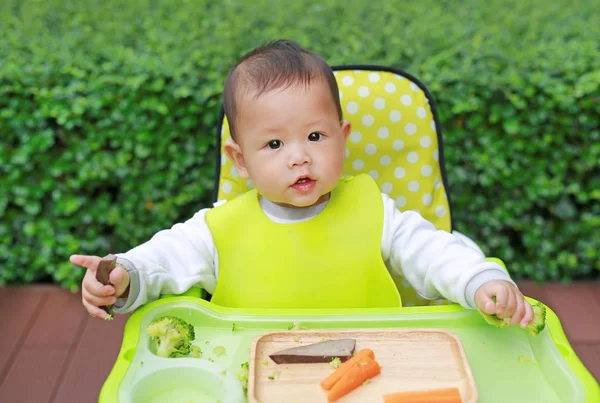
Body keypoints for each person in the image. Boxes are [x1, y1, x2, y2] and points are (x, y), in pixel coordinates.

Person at [70, 39, 534, 328]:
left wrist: (480, 280)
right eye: (274, 145)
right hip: (251, 371)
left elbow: (434, 250)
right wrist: (124, 276)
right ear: (241, 160)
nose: (299, 157)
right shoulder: (219, 229)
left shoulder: (374, 211)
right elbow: (162, 261)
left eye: (315, 136)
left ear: (342, 138)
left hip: (373, 364)